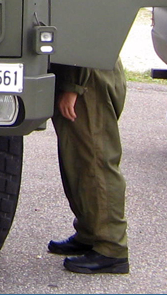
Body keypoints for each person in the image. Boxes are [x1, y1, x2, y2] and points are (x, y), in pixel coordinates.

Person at [48, 58, 131, 275]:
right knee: (79, 162)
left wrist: (74, 86)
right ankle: (90, 233)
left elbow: (86, 34)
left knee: (96, 164)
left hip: (88, 81)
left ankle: (111, 248)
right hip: (84, 76)